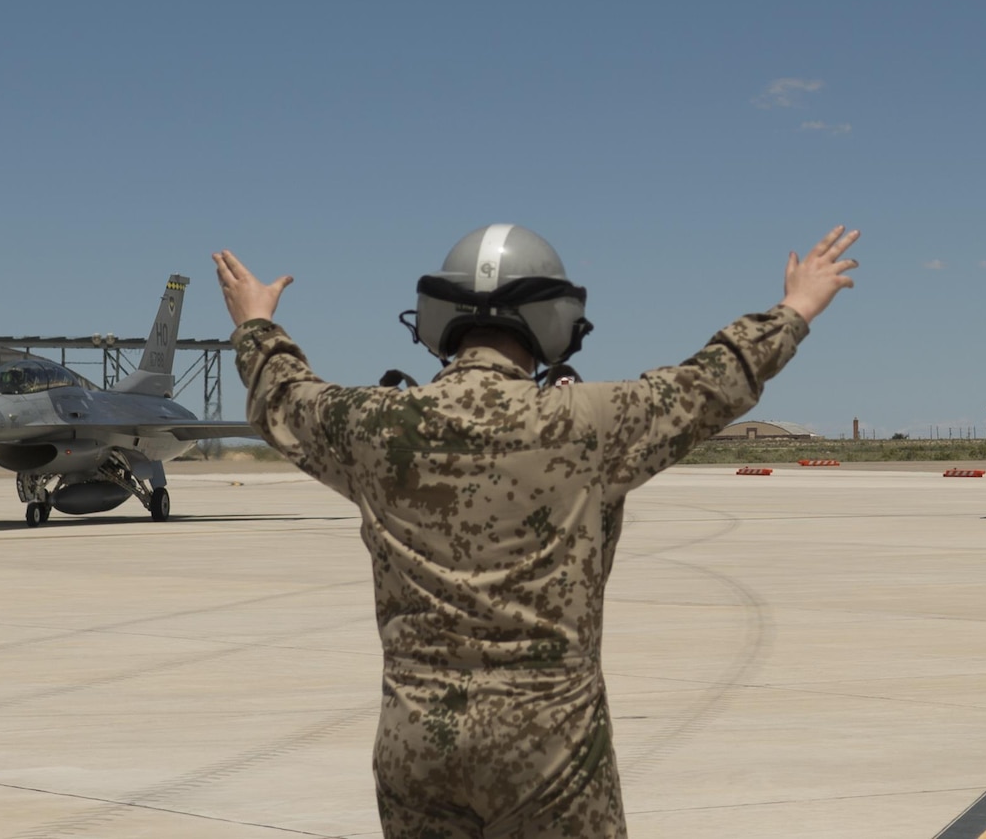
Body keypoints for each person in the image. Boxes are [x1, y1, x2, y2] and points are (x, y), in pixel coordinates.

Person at [212, 223, 859, 839]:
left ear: (439, 317)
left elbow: (282, 394)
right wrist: (797, 307)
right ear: (554, 320)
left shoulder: (373, 426)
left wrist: (256, 324)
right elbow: (712, 382)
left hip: (416, 746)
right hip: (551, 750)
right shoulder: (590, 423)